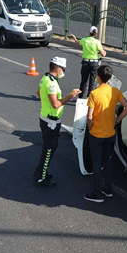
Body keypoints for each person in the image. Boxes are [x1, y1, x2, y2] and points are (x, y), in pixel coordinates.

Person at [84, 65, 127, 203]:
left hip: (97, 134)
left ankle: (97, 193)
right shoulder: (115, 91)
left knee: (97, 164)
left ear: (98, 77)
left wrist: (90, 128)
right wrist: (117, 120)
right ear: (110, 78)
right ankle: (108, 189)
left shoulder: (94, 93)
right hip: (110, 133)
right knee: (107, 161)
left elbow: (90, 116)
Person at [33, 57, 81, 187]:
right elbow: (56, 104)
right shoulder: (52, 84)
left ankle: (40, 171)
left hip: (45, 118)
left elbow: (38, 93)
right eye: (63, 69)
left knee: (46, 149)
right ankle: (41, 178)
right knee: (49, 150)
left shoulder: (45, 79)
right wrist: (71, 95)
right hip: (51, 122)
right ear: (58, 68)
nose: (63, 71)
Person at [68, 26, 107, 99]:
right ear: (96, 34)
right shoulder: (97, 42)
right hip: (94, 63)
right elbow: (103, 54)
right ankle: (90, 99)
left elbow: (77, 42)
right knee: (92, 82)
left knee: (84, 81)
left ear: (89, 33)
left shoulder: (85, 40)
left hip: (85, 63)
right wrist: (105, 51)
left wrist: (74, 37)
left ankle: (81, 98)